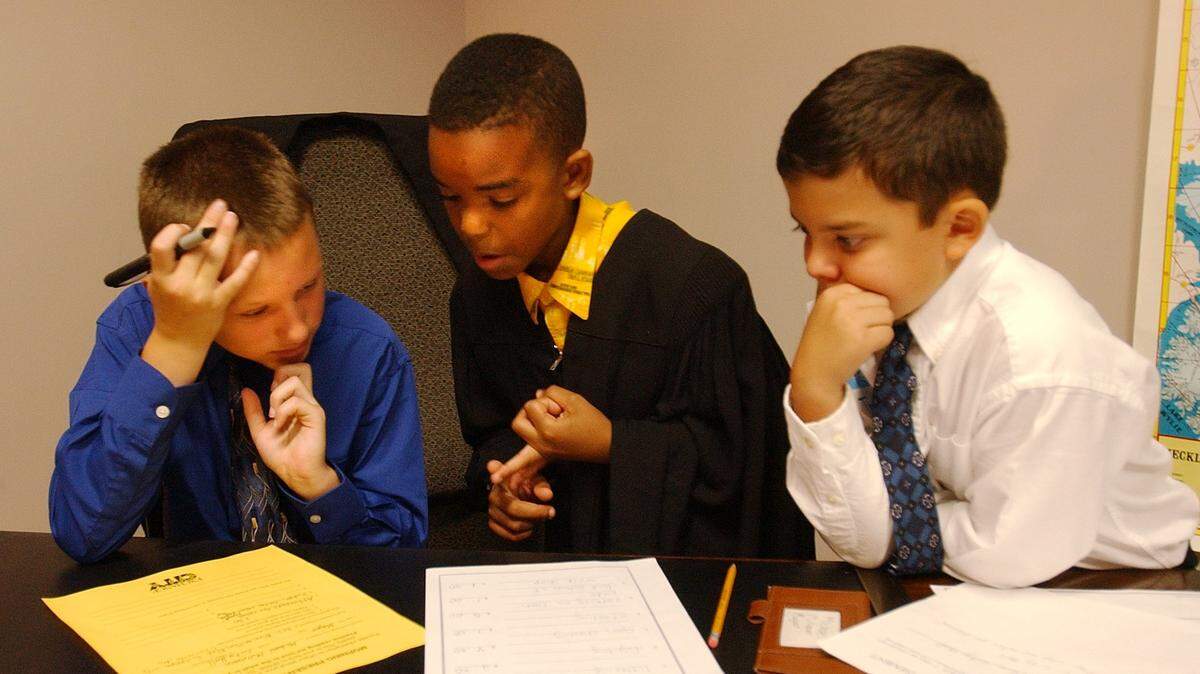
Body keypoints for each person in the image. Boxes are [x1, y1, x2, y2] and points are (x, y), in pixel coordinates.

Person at [778, 45, 1199, 587]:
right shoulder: (862, 312)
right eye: (803, 231)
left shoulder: (1042, 359)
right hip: (967, 578)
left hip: (1113, 587)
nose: (815, 263)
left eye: (847, 239)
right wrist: (815, 392)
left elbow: (1006, 554)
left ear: (958, 229)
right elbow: (860, 540)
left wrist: (895, 524)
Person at [429, 33, 811, 557]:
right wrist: (503, 485)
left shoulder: (694, 289)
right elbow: (490, 434)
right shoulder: (478, 294)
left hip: (679, 593)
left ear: (573, 175)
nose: (471, 226)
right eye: (450, 198)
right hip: (548, 588)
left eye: (501, 199)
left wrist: (611, 443)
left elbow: (748, 471)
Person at [50, 126, 427, 563]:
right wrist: (172, 352)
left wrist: (319, 486)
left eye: (308, 287)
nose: (296, 330)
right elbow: (83, 535)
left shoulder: (367, 349)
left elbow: (403, 562)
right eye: (255, 311)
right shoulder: (137, 330)